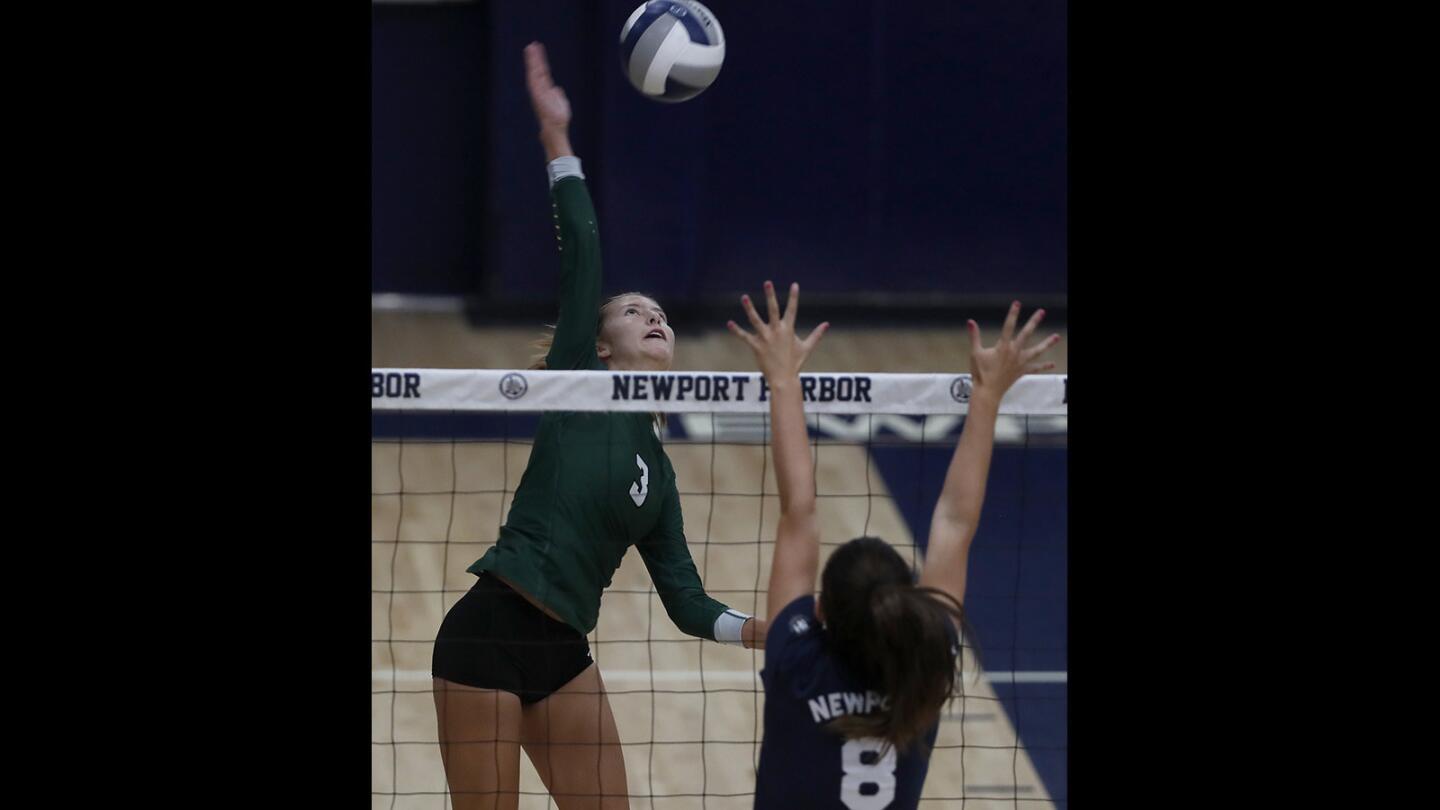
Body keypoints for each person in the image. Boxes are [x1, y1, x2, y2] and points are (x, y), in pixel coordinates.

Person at [431, 42, 763, 810]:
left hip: (562, 654)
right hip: (487, 632)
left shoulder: (661, 472)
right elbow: (582, 245)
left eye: (662, 314)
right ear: (601, 345)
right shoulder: (580, 383)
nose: (653, 316)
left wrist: (757, 630)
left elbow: (687, 602)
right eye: (633, 312)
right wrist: (557, 137)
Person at [727, 285, 1059, 808]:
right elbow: (953, 520)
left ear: (819, 611)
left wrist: (784, 380)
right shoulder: (925, 669)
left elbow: (800, 511)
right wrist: (989, 394)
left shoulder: (798, 662)